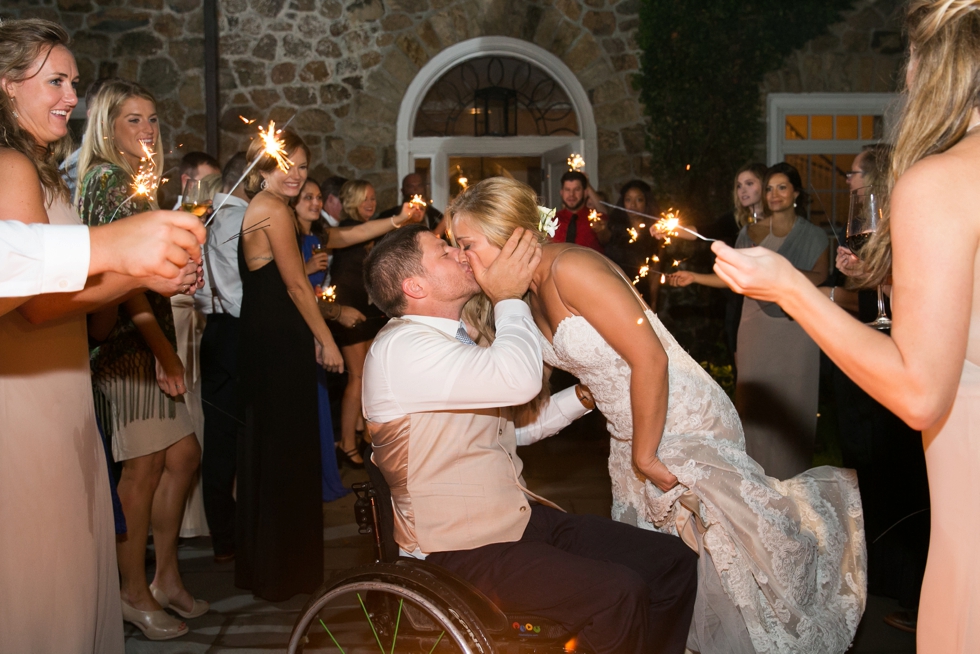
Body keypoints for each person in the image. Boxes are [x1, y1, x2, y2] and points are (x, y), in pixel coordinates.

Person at [451, 177, 865, 654]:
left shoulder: (571, 268)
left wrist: (646, 456)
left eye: (467, 244)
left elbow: (651, 358)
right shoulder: (524, 295)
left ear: (512, 235)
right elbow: (525, 392)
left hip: (679, 417)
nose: (462, 256)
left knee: (726, 562)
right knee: (668, 564)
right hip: (628, 433)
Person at [712, 4, 980, 650]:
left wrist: (793, 291)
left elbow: (921, 392)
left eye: (911, 56)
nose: (907, 73)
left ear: (939, 65)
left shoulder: (943, 182)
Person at [362, 223, 698, 654]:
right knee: (617, 592)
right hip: (454, 552)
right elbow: (519, 382)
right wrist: (507, 298)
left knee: (672, 563)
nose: (460, 254)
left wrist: (580, 398)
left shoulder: (445, 342)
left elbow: (507, 431)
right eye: (444, 253)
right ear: (415, 286)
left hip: (513, 522)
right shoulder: (401, 350)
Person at [0, 18, 198, 653]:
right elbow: (33, 307)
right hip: (29, 397)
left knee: (70, 561)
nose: (70, 98)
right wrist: (133, 268)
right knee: (45, 577)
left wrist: (137, 272)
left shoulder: (42, 168)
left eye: (74, 83)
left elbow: (75, 302)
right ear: (5, 86)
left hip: (60, 384)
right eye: (55, 81)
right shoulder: (10, 166)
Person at [77, 77, 208, 639]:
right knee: (144, 466)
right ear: (108, 127)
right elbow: (121, 282)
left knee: (182, 456)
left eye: (153, 119)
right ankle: (131, 592)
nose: (149, 130)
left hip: (147, 341)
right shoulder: (109, 181)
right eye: (134, 120)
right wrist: (166, 354)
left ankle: (165, 578)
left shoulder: (136, 183)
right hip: (128, 349)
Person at [236, 129, 344, 601]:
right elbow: (298, 286)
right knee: (285, 452)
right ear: (262, 169)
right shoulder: (274, 210)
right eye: (286, 165)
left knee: (277, 450)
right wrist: (328, 341)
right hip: (278, 343)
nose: (296, 174)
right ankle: (284, 572)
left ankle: (275, 569)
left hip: (271, 339)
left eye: (302, 166)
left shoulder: (266, 207)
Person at [668, 163, 828, 479]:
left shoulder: (814, 236)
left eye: (782, 187)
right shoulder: (749, 233)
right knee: (755, 407)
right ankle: (757, 480)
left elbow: (820, 277)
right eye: (769, 189)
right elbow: (732, 279)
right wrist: (694, 277)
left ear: (796, 193)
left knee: (795, 402)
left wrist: (781, 278)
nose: (774, 194)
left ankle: (795, 480)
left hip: (798, 328)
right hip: (756, 326)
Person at [827, 143, 930, 634]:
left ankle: (917, 590)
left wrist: (852, 288)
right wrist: (865, 280)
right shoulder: (868, 225)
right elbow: (878, 292)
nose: (848, 179)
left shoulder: (906, 221)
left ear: (876, 178)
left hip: (897, 360)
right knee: (869, 470)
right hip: (870, 354)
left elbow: (912, 291)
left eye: (853, 173)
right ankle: (888, 578)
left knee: (899, 473)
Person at [195, 151, 248, 563]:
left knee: (221, 440)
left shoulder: (209, 216)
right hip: (235, 332)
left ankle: (226, 539)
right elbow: (237, 294)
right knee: (235, 441)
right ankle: (234, 538)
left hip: (215, 330)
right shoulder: (235, 220)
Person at [329, 179, 391, 467]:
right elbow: (343, 278)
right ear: (352, 200)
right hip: (348, 313)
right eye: (365, 198)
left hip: (366, 313)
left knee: (365, 377)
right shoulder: (349, 230)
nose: (371, 203)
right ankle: (348, 445)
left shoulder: (367, 232)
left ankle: (361, 434)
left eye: (373, 198)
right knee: (356, 378)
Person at [603, 179, 662, 306]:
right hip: (611, 292)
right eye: (628, 200)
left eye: (639, 200)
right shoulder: (614, 228)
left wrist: (652, 306)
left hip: (638, 295)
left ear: (646, 202)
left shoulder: (655, 234)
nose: (633, 205)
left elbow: (654, 275)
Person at [550, 170, 605, 252]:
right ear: (561, 193)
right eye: (567, 190)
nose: (571, 194)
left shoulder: (596, 219)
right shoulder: (552, 220)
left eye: (577, 189)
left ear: (585, 193)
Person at [377, 172, 446, 234]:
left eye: (419, 186)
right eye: (410, 186)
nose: (415, 190)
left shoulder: (436, 216)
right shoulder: (387, 216)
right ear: (402, 190)